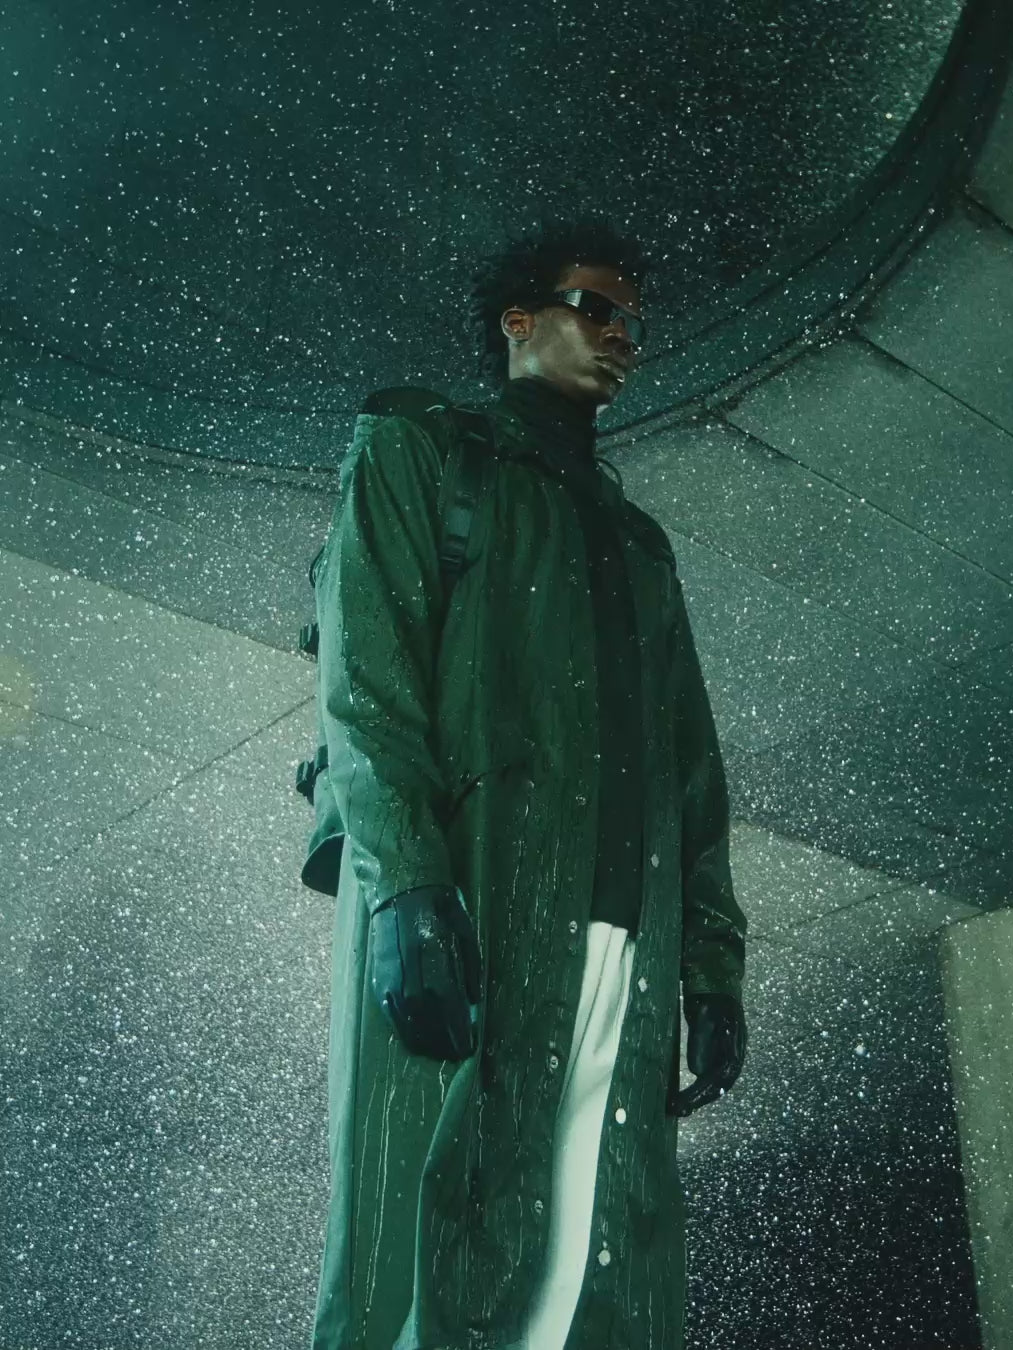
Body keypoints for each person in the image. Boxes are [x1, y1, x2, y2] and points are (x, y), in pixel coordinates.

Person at [309, 213, 749, 1350]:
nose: (622, 337)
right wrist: (406, 885)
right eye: (597, 310)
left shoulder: (642, 543)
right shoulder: (420, 452)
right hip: (472, 898)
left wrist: (710, 967)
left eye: (633, 323)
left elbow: (694, 772)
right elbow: (365, 682)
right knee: (421, 1233)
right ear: (519, 321)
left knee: (599, 1248)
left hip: (624, 939)